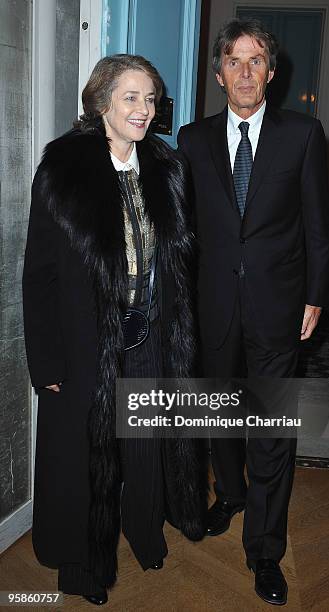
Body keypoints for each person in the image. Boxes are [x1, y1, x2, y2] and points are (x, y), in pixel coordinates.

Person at [23, 54, 207, 606]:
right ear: (101, 102)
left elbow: (177, 266)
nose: (144, 110)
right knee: (82, 463)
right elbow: (39, 275)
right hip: (84, 346)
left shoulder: (166, 167)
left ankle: (144, 532)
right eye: (131, 97)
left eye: (150, 99)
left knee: (144, 448)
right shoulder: (64, 168)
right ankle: (80, 569)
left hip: (149, 336)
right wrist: (47, 362)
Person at [178, 18, 329, 606]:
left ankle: (264, 550)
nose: (246, 72)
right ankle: (232, 493)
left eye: (257, 60)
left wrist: (316, 294)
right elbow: (183, 232)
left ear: (272, 73)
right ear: (220, 75)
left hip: (280, 309)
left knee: (270, 433)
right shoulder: (191, 140)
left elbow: (319, 225)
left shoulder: (303, 135)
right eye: (235, 62)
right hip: (211, 306)